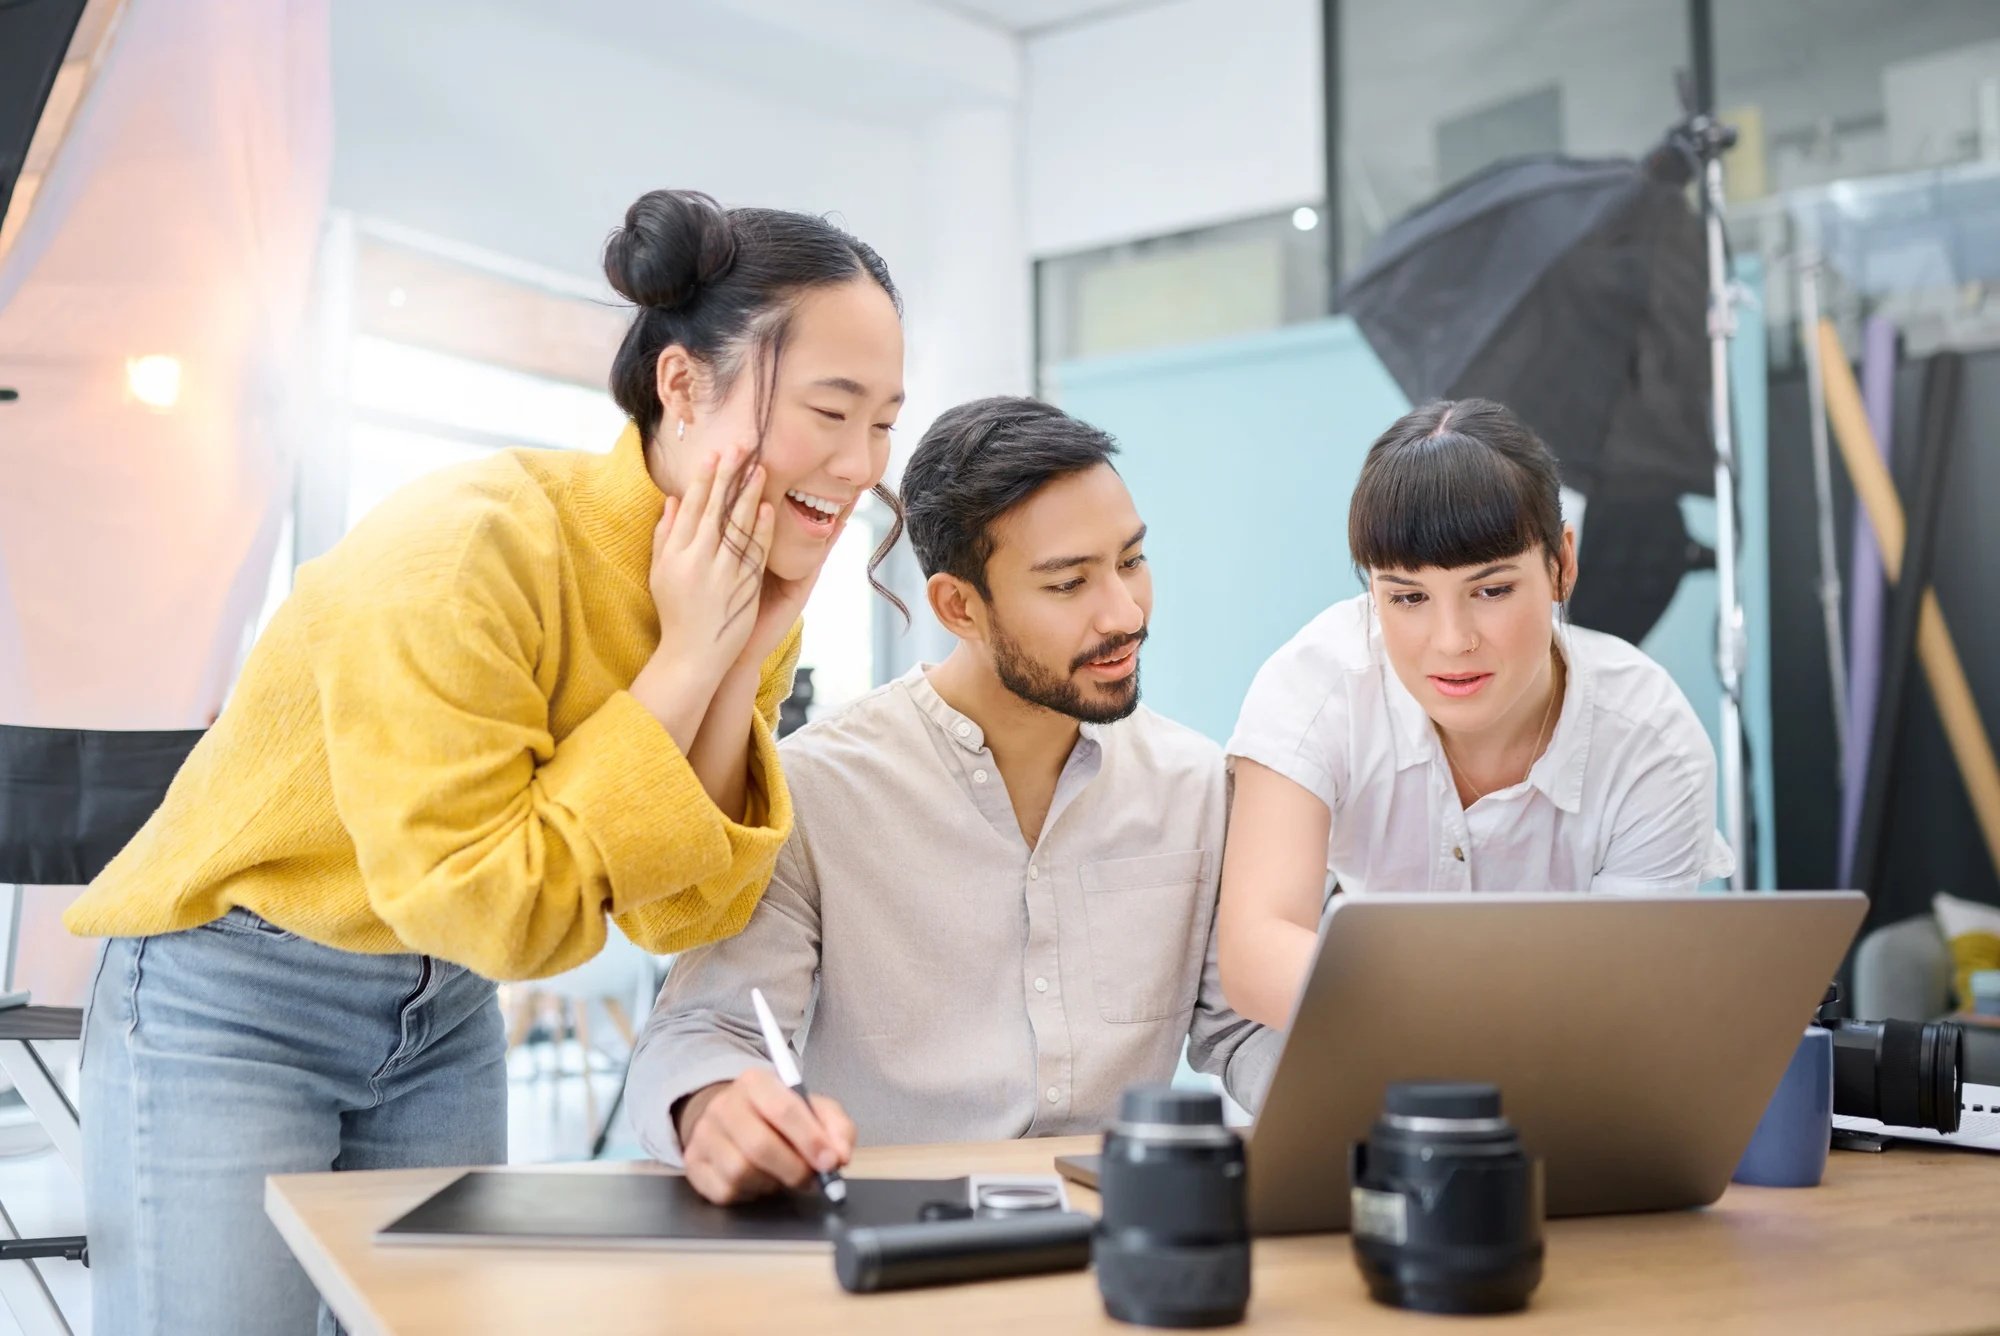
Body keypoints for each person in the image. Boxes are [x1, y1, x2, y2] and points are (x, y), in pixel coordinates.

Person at [63, 190, 906, 1333]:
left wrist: (739, 648)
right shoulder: (466, 547)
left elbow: (687, 911)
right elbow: (486, 902)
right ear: (681, 382)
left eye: (885, 423)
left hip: (444, 1005)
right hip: (236, 995)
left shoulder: (737, 585)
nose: (860, 466)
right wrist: (686, 664)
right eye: (830, 410)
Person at [625, 396, 1278, 1205]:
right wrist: (717, 1108)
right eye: (1070, 583)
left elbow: (1244, 1023)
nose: (1125, 612)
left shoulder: (1197, 785)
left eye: (1132, 561)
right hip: (898, 1241)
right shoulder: (817, 792)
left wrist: (1366, 1084)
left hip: (1123, 1235)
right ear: (958, 607)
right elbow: (702, 1032)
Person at [1218, 398, 1734, 1029]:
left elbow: (1621, 1001)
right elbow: (1257, 953)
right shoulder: (1318, 686)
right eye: (1407, 597)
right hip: (1365, 1058)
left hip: (1566, 1084)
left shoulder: (1652, 743)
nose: (1452, 640)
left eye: (1491, 590)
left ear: (1562, 564)